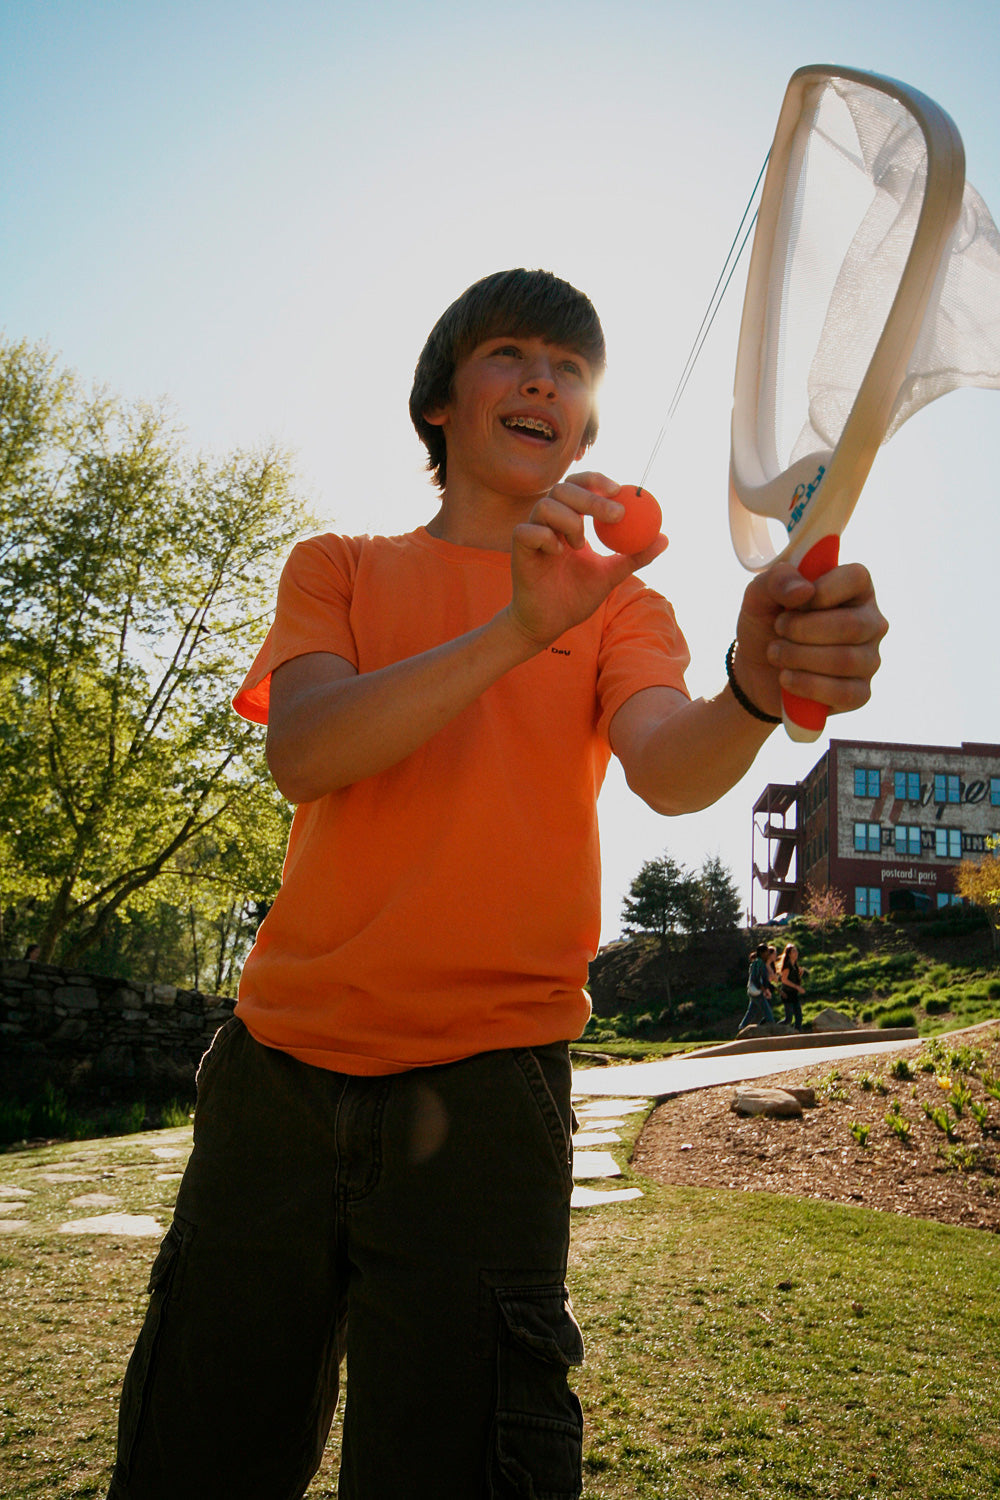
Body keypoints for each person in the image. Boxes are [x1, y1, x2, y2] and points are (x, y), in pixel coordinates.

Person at [106, 267, 887, 1500]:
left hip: (486, 1099)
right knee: (193, 1457)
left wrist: (747, 682)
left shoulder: (625, 606)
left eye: (570, 369)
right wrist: (518, 629)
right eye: (510, 354)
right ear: (440, 404)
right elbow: (305, 751)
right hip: (277, 1085)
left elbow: (672, 770)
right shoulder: (340, 566)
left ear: (585, 427)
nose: (543, 378)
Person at [739, 940, 776, 1031]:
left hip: (753, 991)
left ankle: (742, 1027)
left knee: (751, 1012)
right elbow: (756, 978)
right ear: (762, 953)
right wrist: (764, 989)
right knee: (768, 1013)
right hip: (758, 991)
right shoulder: (759, 963)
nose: (768, 954)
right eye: (767, 952)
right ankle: (773, 1029)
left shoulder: (756, 963)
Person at [779, 942, 806, 1031]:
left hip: (793, 993)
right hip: (787, 993)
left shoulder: (795, 965)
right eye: (794, 951)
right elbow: (784, 980)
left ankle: (797, 1033)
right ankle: (775, 1028)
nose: (796, 953)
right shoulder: (787, 966)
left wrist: (800, 974)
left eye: (796, 951)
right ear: (789, 954)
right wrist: (797, 987)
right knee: (788, 1019)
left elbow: (794, 979)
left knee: (799, 1017)